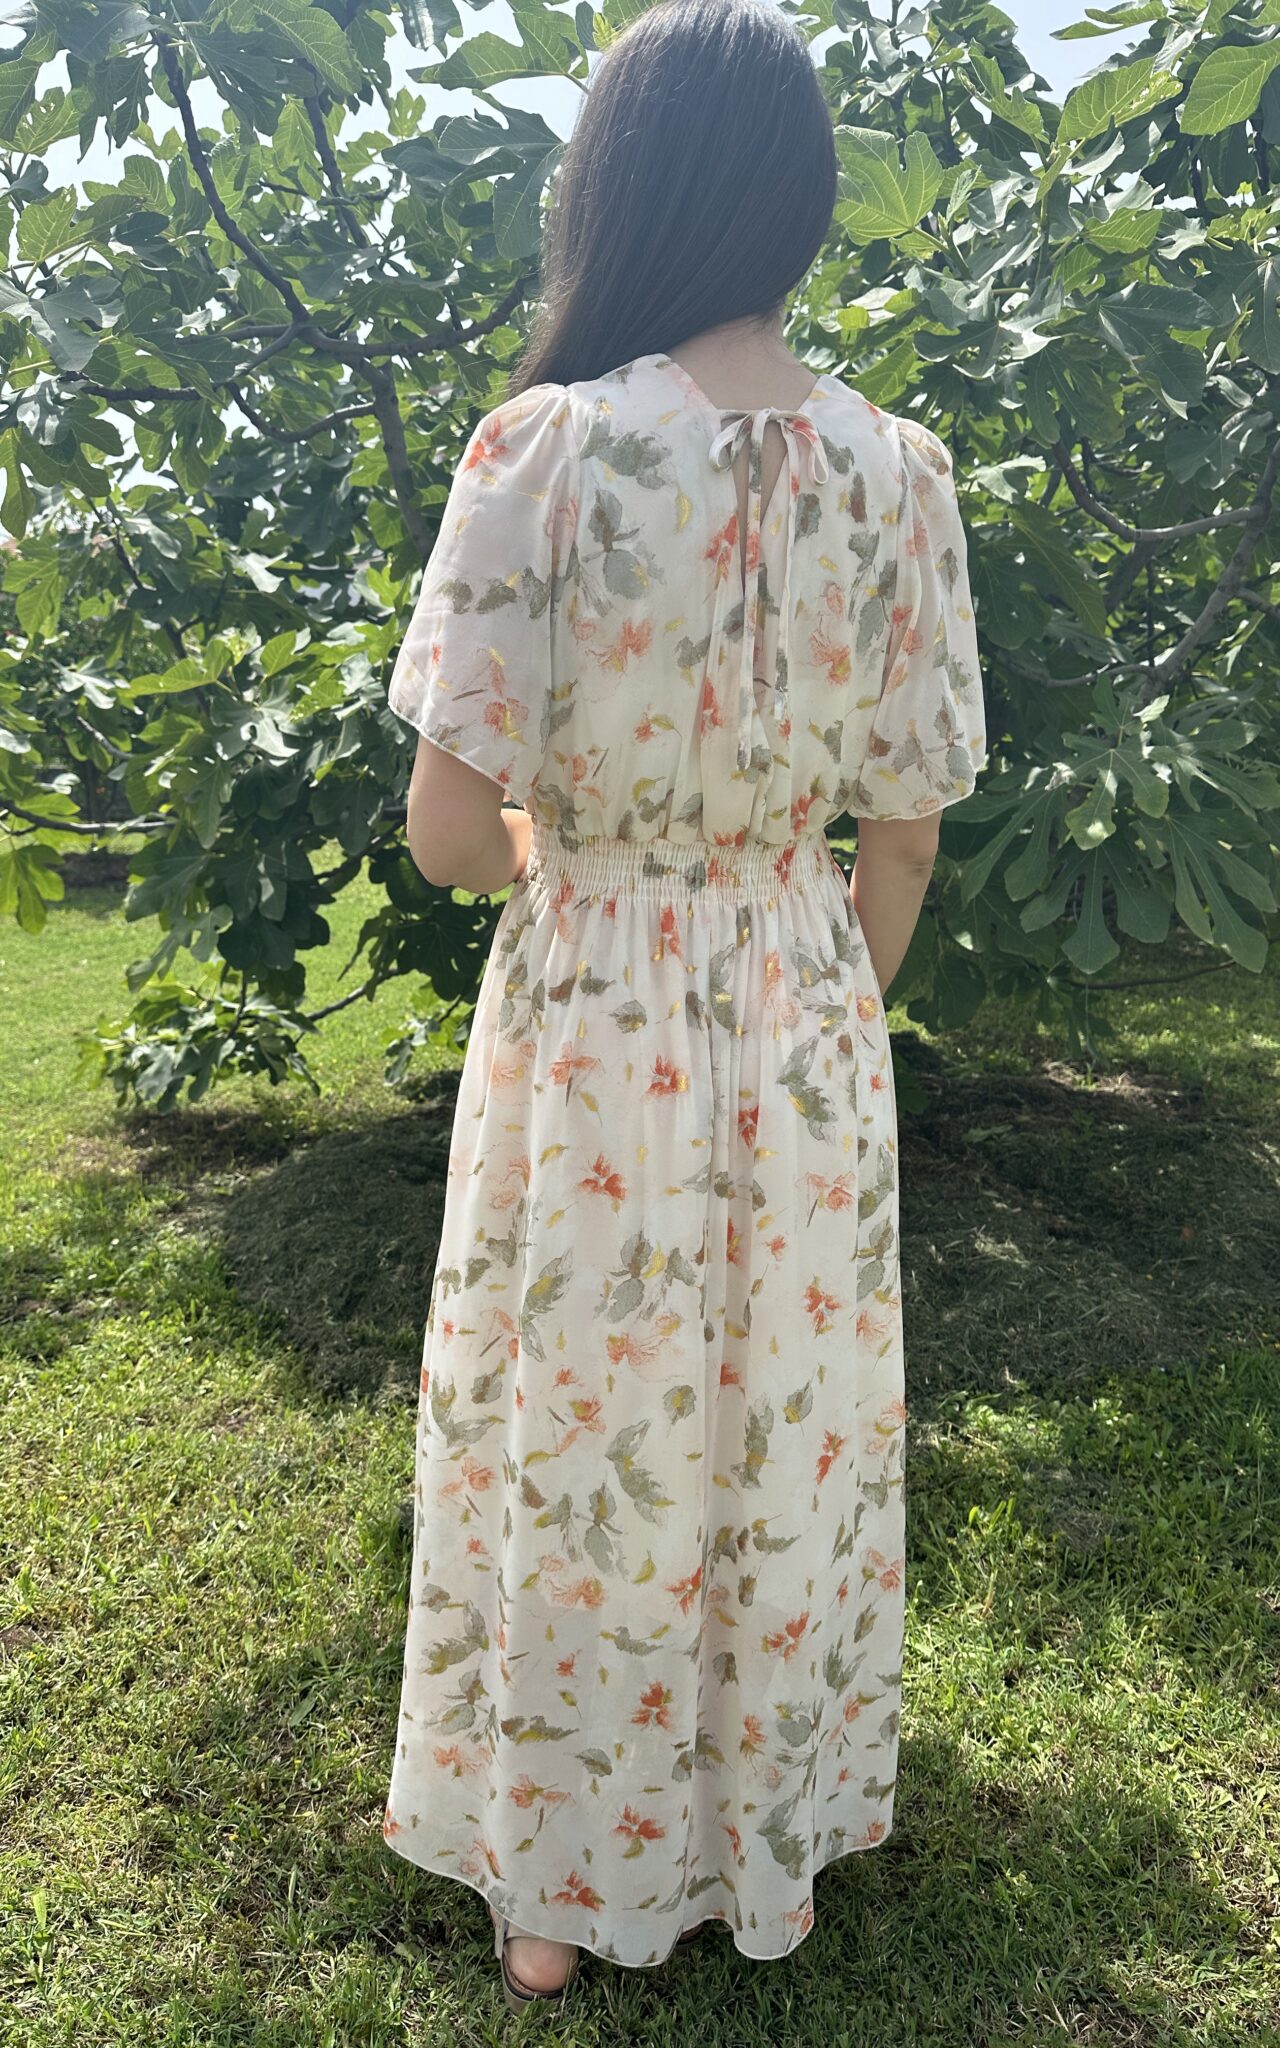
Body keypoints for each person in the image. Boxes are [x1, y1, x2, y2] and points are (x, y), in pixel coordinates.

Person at [380, 0, 988, 2014]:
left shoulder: (545, 449)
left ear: (616, 189)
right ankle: (766, 1825)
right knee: (774, 1429)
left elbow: (449, 834)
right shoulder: (900, 474)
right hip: (802, 990)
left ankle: (557, 1889)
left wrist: (565, 854)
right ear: (799, 198)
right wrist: (816, 1005)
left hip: (595, 1006)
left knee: (586, 1421)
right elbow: (903, 834)